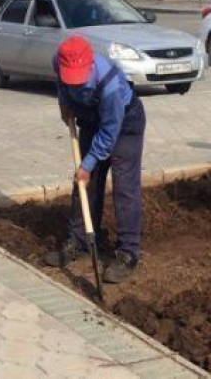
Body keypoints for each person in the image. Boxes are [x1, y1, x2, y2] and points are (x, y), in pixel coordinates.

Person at [43, 36, 146, 284]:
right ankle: (80, 241)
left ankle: (128, 253)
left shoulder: (109, 85)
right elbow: (61, 83)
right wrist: (64, 103)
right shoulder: (59, 62)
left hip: (124, 127)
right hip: (90, 122)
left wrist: (89, 164)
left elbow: (110, 131)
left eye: (79, 79)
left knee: (125, 188)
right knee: (84, 184)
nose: (75, 84)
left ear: (89, 65)